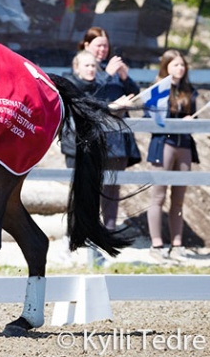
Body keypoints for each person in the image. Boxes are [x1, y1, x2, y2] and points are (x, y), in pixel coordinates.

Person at [60, 50, 140, 232]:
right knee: (80, 193)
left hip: (95, 145)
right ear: (76, 68)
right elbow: (84, 106)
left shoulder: (99, 82)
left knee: (97, 191)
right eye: (86, 65)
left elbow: (130, 93)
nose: (91, 69)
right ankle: (73, 236)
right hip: (76, 146)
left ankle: (95, 235)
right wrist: (111, 106)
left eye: (93, 66)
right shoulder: (70, 83)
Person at [146, 49, 198, 263]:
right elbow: (151, 118)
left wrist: (189, 122)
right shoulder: (157, 90)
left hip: (184, 144)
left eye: (182, 65)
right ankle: (156, 244)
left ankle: (177, 244)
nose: (180, 68)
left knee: (178, 199)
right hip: (163, 143)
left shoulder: (189, 90)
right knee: (158, 196)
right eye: (175, 64)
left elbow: (195, 116)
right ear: (166, 66)